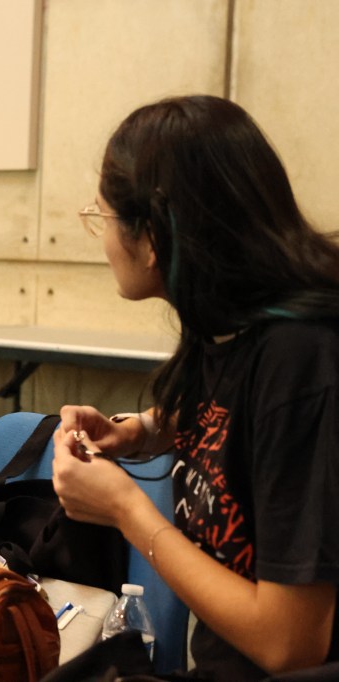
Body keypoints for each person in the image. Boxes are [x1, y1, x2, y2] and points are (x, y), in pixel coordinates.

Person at [52, 96, 339, 679]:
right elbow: (231, 406)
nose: (102, 239)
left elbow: (290, 644)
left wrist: (126, 510)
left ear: (153, 237)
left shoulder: (304, 363)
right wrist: (138, 432)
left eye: (103, 218)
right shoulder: (235, 324)